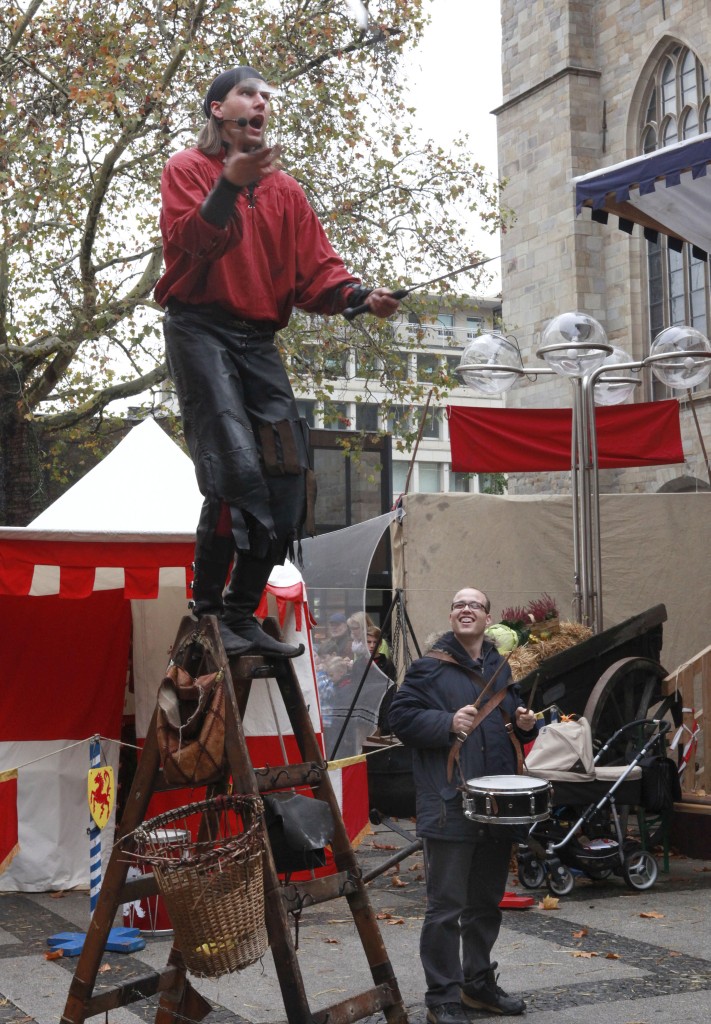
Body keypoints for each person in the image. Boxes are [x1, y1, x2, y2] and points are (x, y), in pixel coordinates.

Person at [154, 66, 399, 658]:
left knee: (288, 479)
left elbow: (318, 272)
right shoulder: (187, 168)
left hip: (258, 339)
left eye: (266, 96)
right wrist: (228, 186)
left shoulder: (285, 191)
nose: (261, 102)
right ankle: (210, 612)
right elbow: (194, 240)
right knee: (234, 470)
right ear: (218, 108)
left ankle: (240, 612)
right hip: (200, 328)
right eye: (247, 93)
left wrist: (360, 297)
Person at [388, 587, 537, 1022]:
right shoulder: (428, 668)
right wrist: (446, 721)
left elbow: (510, 721)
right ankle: (443, 998)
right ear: (452, 616)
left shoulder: (500, 667)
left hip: (496, 806)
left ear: (488, 618)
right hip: (449, 802)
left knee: (485, 903)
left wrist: (525, 725)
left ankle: (477, 984)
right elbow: (399, 719)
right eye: (458, 604)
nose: (465, 608)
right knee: (445, 908)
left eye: (474, 604)